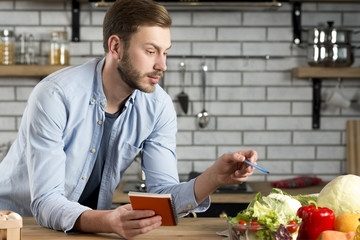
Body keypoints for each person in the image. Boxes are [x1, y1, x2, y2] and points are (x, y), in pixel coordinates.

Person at [0, 0, 257, 239]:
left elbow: (162, 198)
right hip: (20, 226)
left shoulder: (158, 106)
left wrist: (214, 177)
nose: (162, 65)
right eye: (150, 51)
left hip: (87, 229)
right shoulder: (55, 95)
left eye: (165, 52)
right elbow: (45, 201)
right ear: (116, 47)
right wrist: (109, 222)